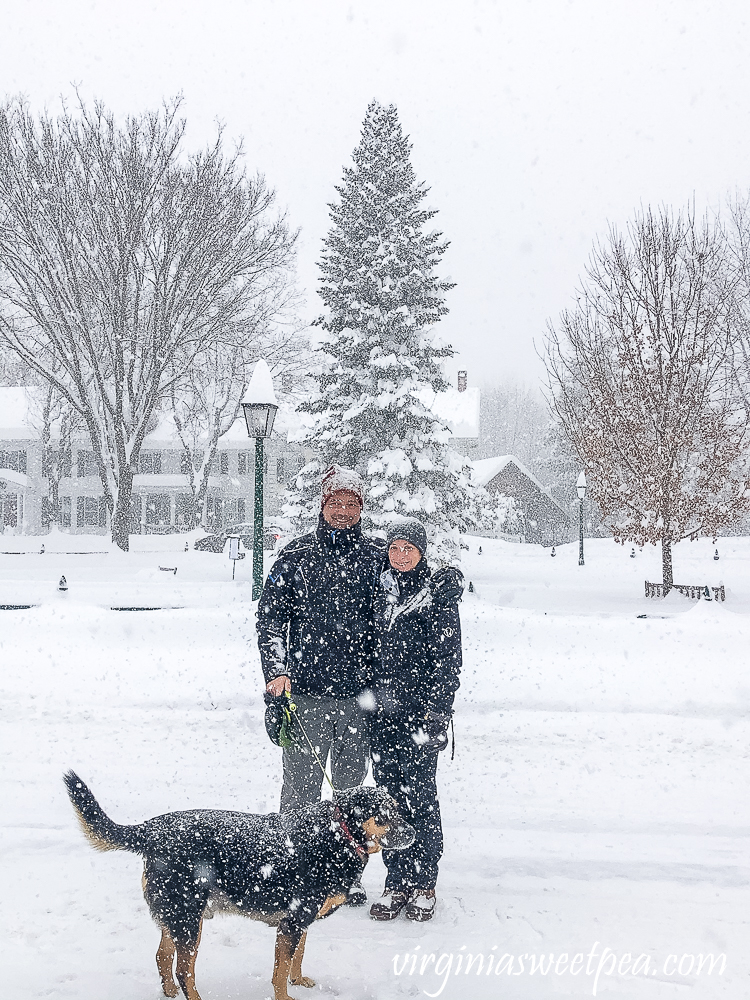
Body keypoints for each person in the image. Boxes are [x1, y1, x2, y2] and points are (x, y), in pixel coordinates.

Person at [257, 466, 385, 884]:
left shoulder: (376, 557)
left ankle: (341, 878)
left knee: (350, 797)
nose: (343, 511)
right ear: (322, 505)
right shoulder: (295, 557)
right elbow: (270, 620)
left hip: (357, 701)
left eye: (351, 504)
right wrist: (276, 672)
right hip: (305, 698)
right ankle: (287, 871)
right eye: (336, 503)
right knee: (299, 794)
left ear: (361, 508)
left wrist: (448, 583)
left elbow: (412, 587)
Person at [368, 518, 462, 923]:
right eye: (395, 548)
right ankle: (396, 882)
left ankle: (424, 882)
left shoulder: (436, 596)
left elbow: (448, 661)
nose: (401, 555)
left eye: (409, 549)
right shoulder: (378, 591)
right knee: (390, 801)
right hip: (382, 716)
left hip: (421, 716)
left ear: (422, 552)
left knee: (421, 799)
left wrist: (439, 712)